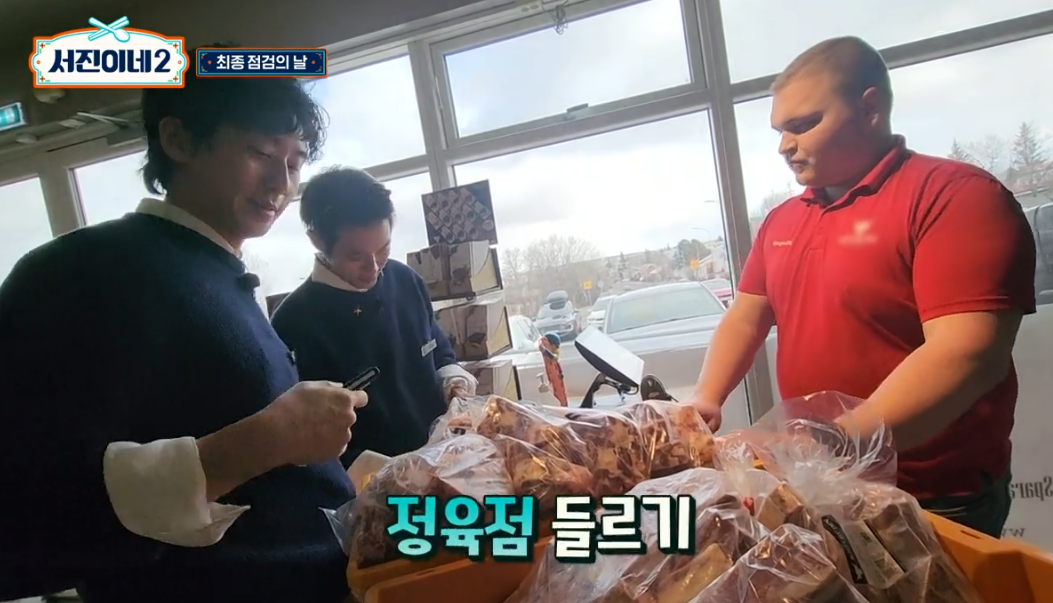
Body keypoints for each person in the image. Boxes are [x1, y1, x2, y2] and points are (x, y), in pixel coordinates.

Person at [0, 45, 366, 603]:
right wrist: (258, 443)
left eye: (295, 163)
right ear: (178, 140)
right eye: (261, 152)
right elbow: (25, 512)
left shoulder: (218, 271)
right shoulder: (78, 275)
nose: (280, 182)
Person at [688, 36, 1036, 538]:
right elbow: (746, 315)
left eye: (804, 124)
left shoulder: (954, 197)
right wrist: (706, 397)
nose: (785, 146)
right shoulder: (783, 220)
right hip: (820, 483)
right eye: (780, 131)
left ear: (870, 109)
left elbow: (967, 354)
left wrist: (837, 439)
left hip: (930, 496)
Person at [270, 166, 477, 468]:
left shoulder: (406, 280)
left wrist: (452, 378)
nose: (374, 267)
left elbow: (435, 346)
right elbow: (304, 437)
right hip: (371, 484)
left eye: (383, 249)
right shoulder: (294, 322)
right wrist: (387, 475)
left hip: (447, 460)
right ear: (317, 240)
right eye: (356, 256)